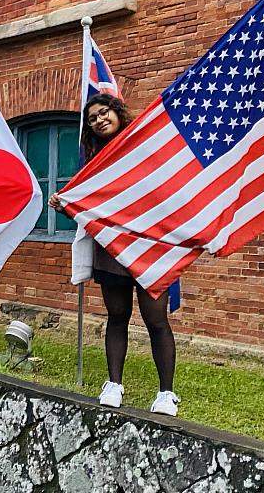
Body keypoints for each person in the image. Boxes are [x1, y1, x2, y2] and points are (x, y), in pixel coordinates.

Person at [48, 94, 180, 416]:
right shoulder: (95, 164)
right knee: (117, 317)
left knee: (156, 320)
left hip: (151, 248)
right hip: (111, 250)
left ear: (117, 112)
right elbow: (90, 211)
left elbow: (167, 186)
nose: (99, 120)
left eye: (103, 112)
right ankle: (114, 384)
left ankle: (166, 393)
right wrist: (66, 207)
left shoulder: (142, 146)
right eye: (92, 118)